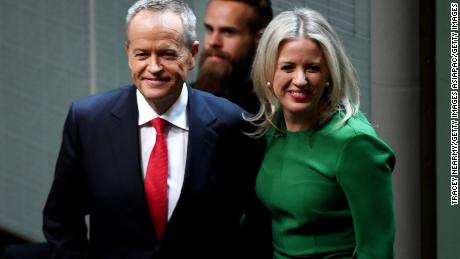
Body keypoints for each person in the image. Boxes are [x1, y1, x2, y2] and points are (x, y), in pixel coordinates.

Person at [42, 0, 268, 258]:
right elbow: (61, 217)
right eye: (141, 54)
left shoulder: (233, 124)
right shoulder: (88, 120)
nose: (154, 67)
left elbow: (256, 223)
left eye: (168, 53)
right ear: (128, 54)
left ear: (192, 54)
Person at [246, 8, 396, 259]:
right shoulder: (274, 125)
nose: (300, 80)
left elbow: (377, 248)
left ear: (328, 74)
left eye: (313, 68)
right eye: (288, 67)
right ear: (268, 71)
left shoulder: (354, 142)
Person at [192, 0, 272, 113]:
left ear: (260, 37)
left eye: (228, 32)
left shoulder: (272, 114)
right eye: (210, 29)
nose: (213, 42)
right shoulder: (179, 99)